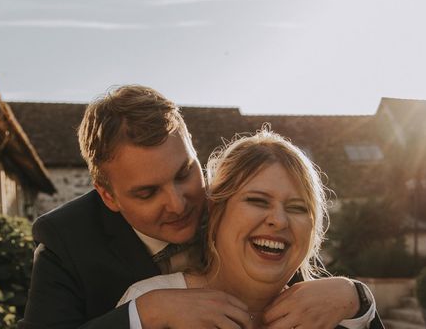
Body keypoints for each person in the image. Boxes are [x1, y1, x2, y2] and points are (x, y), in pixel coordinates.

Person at [19, 85, 381, 329]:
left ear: (195, 154)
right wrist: (146, 313)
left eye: (184, 174)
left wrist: (356, 298)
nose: (179, 203)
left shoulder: (234, 207)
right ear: (108, 196)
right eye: (147, 193)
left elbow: (289, 275)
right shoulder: (66, 240)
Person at [117, 129, 377, 329]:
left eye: (297, 208)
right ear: (216, 212)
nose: (279, 220)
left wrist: (358, 300)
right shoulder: (149, 303)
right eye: (257, 201)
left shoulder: (336, 312)